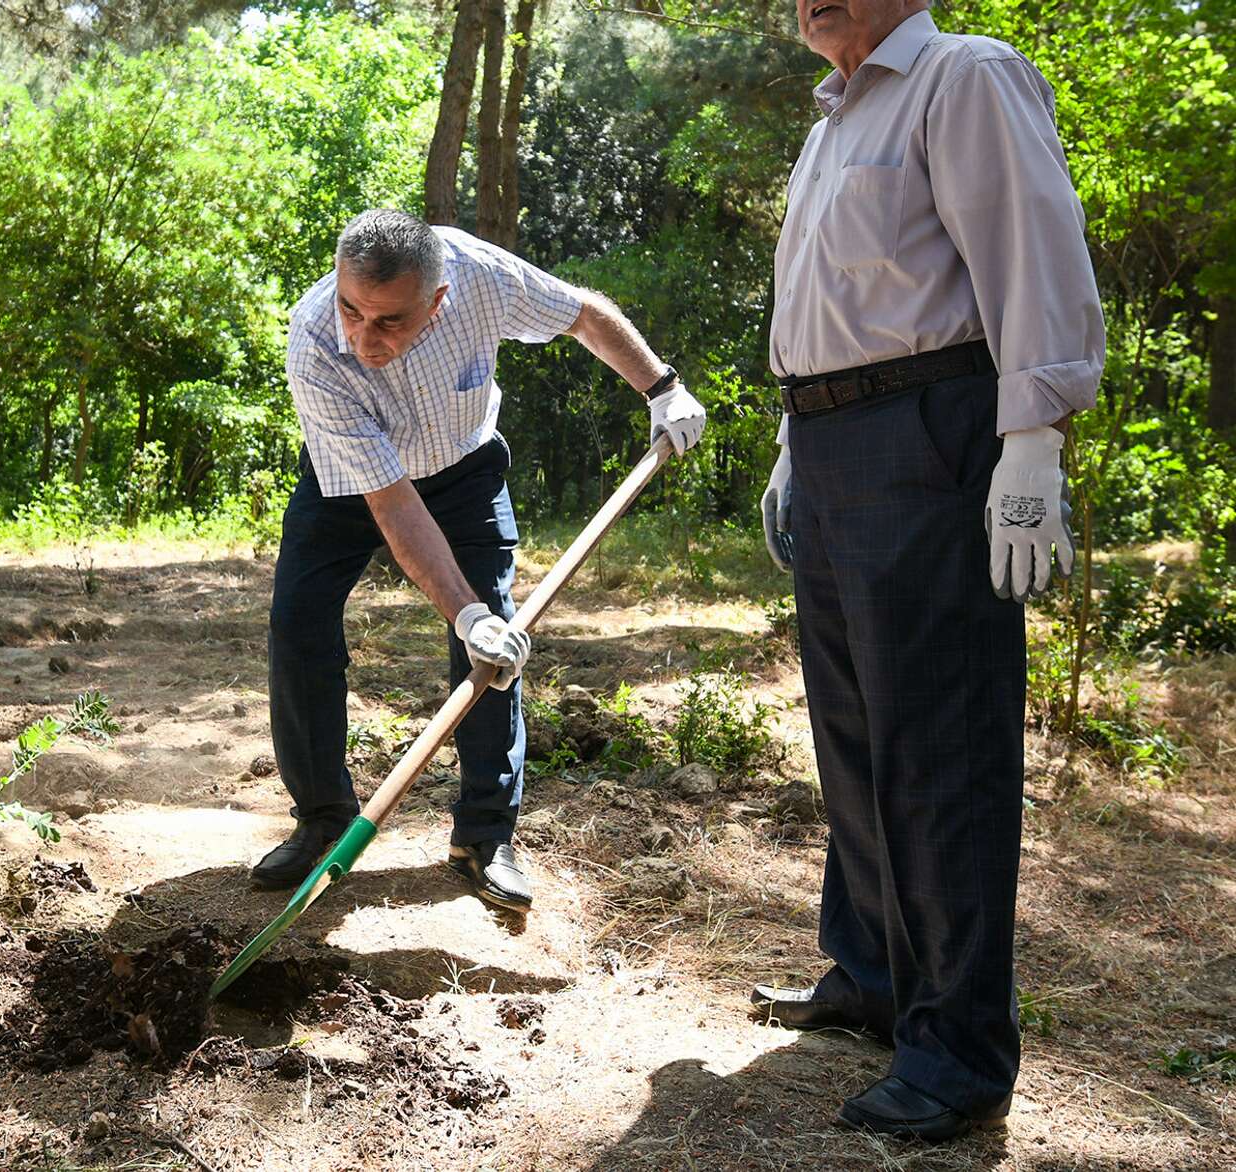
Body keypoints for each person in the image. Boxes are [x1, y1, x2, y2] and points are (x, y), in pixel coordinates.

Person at [751, 0, 1103, 1142]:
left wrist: (1033, 436)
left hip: (929, 434)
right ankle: (870, 977)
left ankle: (954, 1054)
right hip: (834, 441)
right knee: (851, 734)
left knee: (936, 746)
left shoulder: (964, 75)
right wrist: (791, 445)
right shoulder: (829, 119)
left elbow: (1031, 249)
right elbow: (837, 305)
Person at [254, 209, 706, 909]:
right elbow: (395, 506)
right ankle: (322, 820)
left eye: (389, 322)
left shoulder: (479, 277)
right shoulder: (316, 345)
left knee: (496, 640)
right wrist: (459, 611)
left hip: (464, 470)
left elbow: (583, 315)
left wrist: (661, 386)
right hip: (351, 482)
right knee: (298, 622)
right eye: (352, 310)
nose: (362, 338)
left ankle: (484, 836)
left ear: (437, 301)